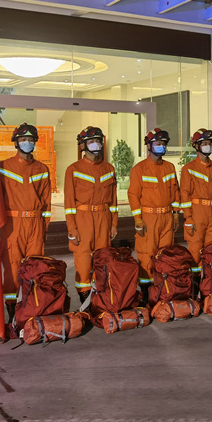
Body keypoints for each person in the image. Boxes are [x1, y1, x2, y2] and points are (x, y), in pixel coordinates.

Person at [0, 123, 51, 312]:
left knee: (35, 267)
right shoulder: (3, 167)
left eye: (30, 139)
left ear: (35, 142)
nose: (27, 143)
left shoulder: (42, 169)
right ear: (16, 143)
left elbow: (46, 203)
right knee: (12, 268)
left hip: (36, 224)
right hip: (12, 224)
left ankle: (31, 308)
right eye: (23, 140)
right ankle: (12, 309)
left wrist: (43, 227)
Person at [64, 126, 118, 303]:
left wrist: (114, 224)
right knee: (83, 262)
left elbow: (113, 201)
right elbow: (69, 204)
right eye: (91, 141)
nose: (96, 144)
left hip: (104, 219)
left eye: (98, 141)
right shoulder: (73, 169)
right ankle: (85, 302)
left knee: (104, 261)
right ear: (82, 145)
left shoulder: (109, 168)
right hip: (83, 220)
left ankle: (101, 301)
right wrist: (72, 229)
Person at [128, 128, 180, 292]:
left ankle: (163, 291)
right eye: (157, 143)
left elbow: (176, 192)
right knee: (147, 255)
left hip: (167, 218)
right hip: (148, 219)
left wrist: (176, 214)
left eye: (163, 143)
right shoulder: (139, 169)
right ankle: (146, 293)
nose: (161, 146)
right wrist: (138, 219)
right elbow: (133, 195)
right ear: (149, 145)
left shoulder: (170, 167)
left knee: (166, 255)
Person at [180, 129, 212, 267]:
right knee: (195, 249)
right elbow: (185, 195)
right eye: (204, 143)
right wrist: (188, 218)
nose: (208, 146)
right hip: (197, 213)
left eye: (209, 143)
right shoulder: (189, 168)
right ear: (196, 146)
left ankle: (209, 278)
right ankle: (195, 278)